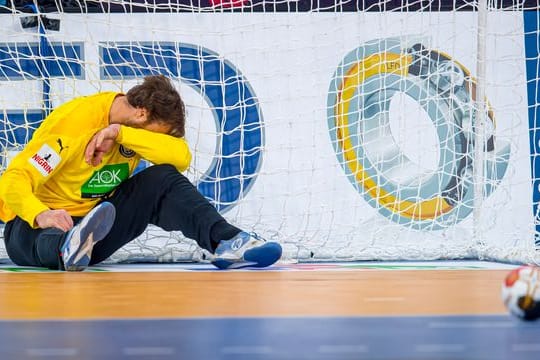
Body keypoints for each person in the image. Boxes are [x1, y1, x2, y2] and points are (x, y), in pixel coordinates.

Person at [0, 75, 282, 271]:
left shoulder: (127, 130)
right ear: (141, 114)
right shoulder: (73, 123)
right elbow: (13, 180)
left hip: (93, 229)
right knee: (50, 234)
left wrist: (119, 133)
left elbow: (180, 157)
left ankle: (227, 243)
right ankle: (68, 246)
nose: (153, 144)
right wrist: (42, 214)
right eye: (157, 134)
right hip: (31, 229)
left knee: (162, 178)